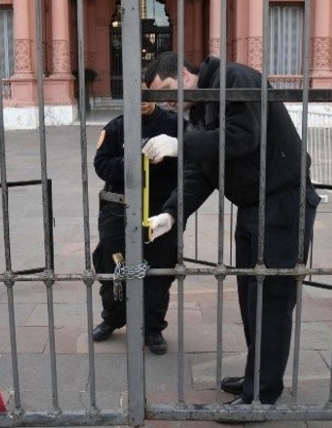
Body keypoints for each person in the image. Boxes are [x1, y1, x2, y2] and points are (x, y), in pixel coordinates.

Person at [141, 52, 320, 404]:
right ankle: (258, 375)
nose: (167, 103)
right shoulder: (199, 106)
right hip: (254, 206)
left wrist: (181, 144)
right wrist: (172, 213)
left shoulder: (234, 79)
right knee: (251, 298)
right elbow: (201, 170)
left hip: (284, 202)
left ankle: (262, 395)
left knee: (270, 299)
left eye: (167, 91)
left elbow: (243, 136)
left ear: (184, 73)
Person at [91, 99, 179, 355]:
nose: (140, 100)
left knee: (159, 269)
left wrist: (166, 156)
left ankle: (153, 328)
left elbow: (191, 161)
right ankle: (112, 318)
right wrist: (132, 162)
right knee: (114, 268)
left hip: (161, 211)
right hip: (118, 209)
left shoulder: (173, 124)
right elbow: (101, 165)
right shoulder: (116, 126)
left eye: (146, 92)